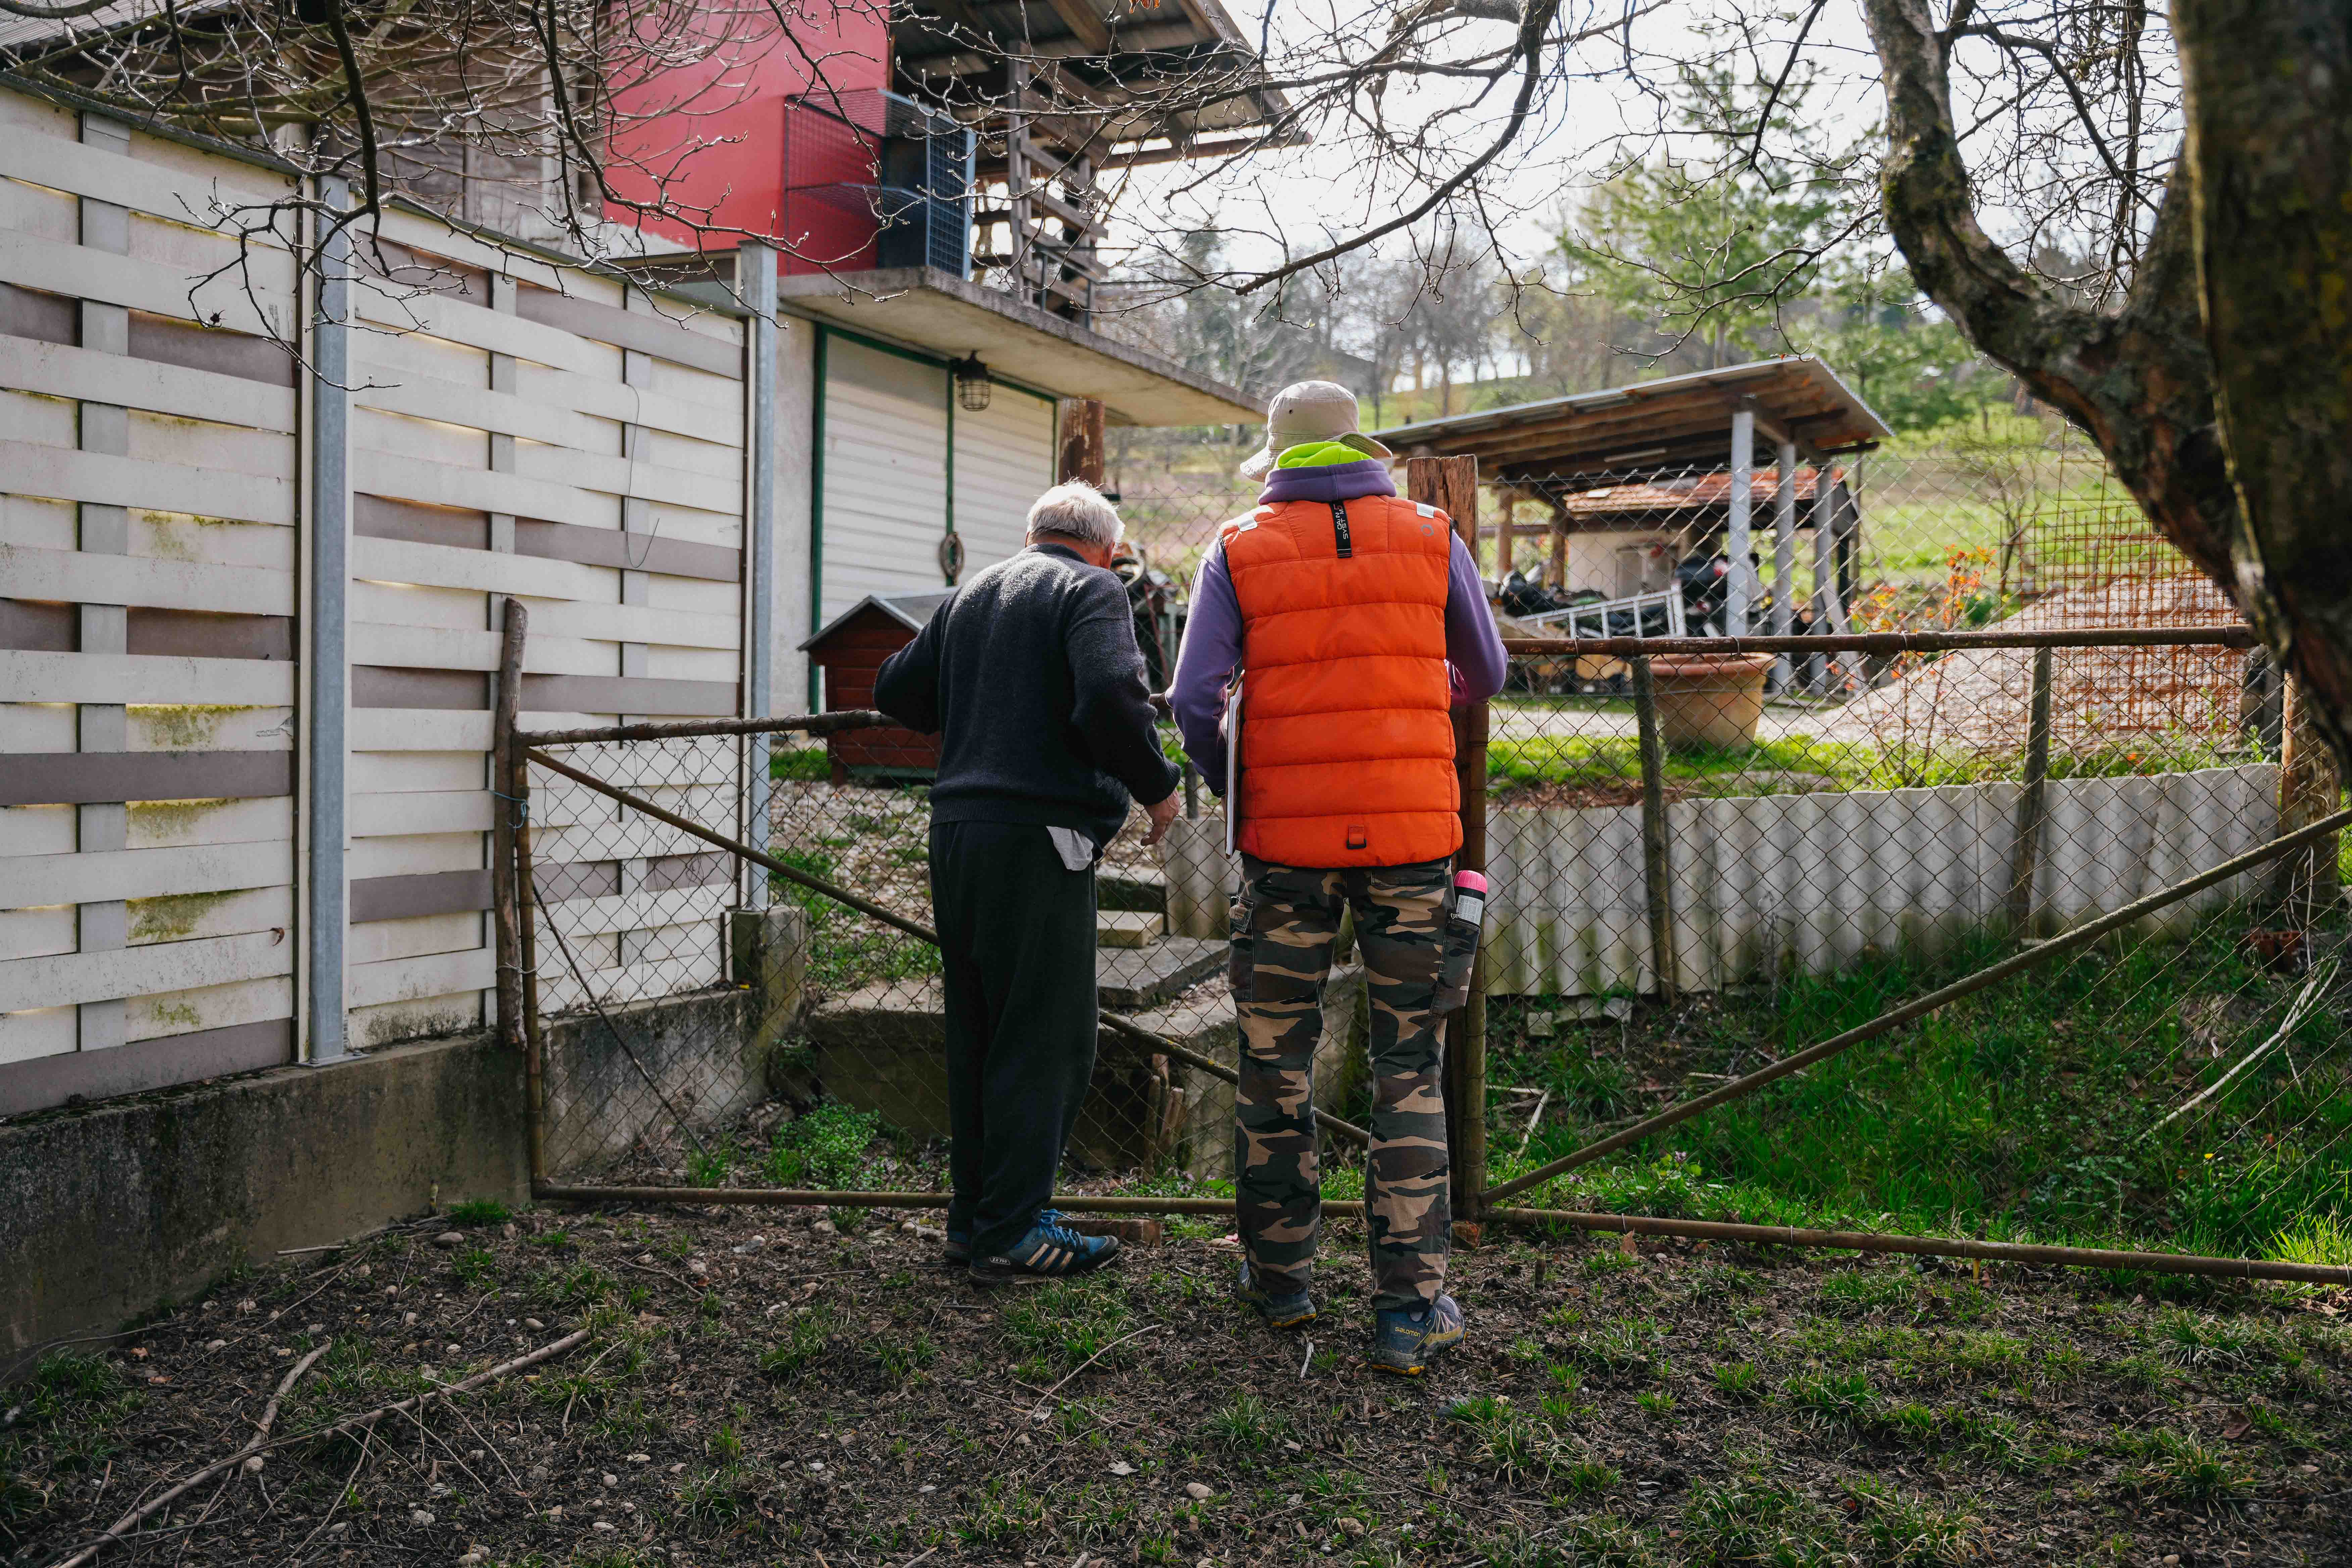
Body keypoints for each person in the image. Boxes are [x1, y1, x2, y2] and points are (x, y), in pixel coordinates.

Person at [1168, 381, 1508, 1375]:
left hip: (1284, 854)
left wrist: (1239, 764)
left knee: (1275, 1059)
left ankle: (1281, 1283)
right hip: (1413, 848)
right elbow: (1483, 671)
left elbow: (1193, 696)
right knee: (1410, 1068)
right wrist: (1419, 688)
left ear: (1277, 457)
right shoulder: (1434, 532)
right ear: (1362, 445)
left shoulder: (1237, 546)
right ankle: (1410, 1313)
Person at [874, 482, 1182, 1285]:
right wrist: (1158, 785)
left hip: (957, 832)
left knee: (979, 1026)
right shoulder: (1094, 589)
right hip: (1039, 834)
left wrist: (983, 694)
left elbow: (896, 691)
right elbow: (1114, 695)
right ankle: (1015, 1230)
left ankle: (975, 1221)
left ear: (1032, 533)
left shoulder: (975, 590)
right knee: (1047, 1034)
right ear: (1106, 548)